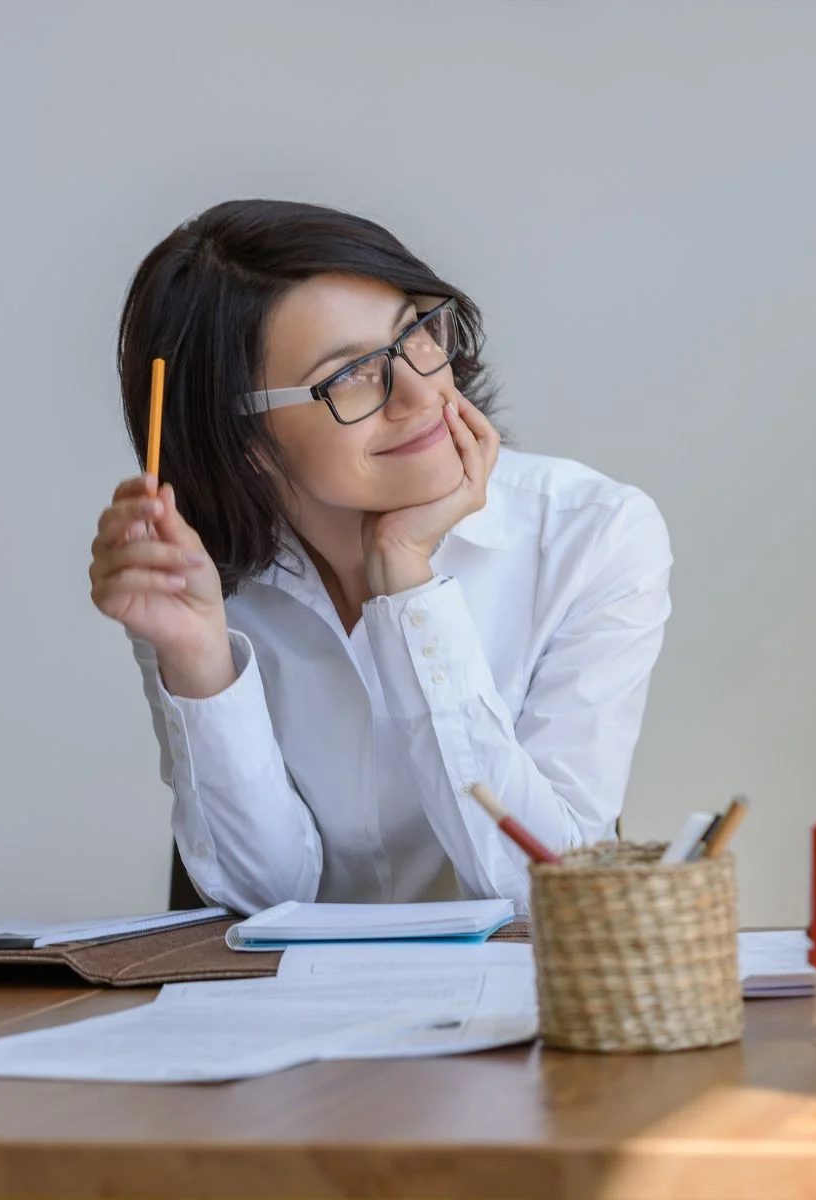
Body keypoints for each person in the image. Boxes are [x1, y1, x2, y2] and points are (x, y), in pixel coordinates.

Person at [89, 199, 672, 916]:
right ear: (240, 436)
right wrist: (199, 659)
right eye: (353, 375)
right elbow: (268, 898)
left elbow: (547, 887)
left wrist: (409, 585)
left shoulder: (591, 536)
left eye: (417, 334)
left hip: (527, 1010)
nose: (423, 390)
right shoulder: (189, 575)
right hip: (290, 1016)